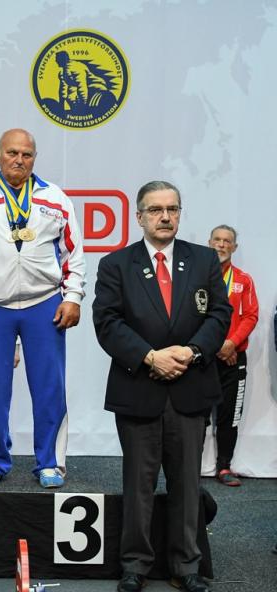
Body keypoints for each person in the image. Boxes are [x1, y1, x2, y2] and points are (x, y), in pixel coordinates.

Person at [93, 181, 230, 592]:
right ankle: (134, 565)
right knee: (138, 485)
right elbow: (107, 322)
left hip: (191, 386)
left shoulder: (204, 259)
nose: (165, 217)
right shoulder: (116, 264)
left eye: (172, 209)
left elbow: (219, 315)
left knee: (187, 485)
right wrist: (151, 357)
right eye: (155, 210)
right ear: (139, 217)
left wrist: (190, 352)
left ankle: (186, 566)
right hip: (139, 388)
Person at [0, 128, 85, 489]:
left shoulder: (55, 198)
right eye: (12, 153)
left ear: (34, 157)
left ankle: (50, 462)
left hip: (44, 306)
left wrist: (72, 296)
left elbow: (73, 253)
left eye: (26, 154)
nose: (19, 160)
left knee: (50, 388)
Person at [206, 225, 258, 487]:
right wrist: (216, 345)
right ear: (209, 243)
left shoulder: (243, 279)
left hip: (233, 357)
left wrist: (231, 344)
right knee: (196, 415)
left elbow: (250, 316)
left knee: (230, 415)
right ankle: (188, 468)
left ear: (234, 247)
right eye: (217, 239)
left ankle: (224, 466)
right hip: (203, 357)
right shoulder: (197, 277)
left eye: (227, 241)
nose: (222, 244)